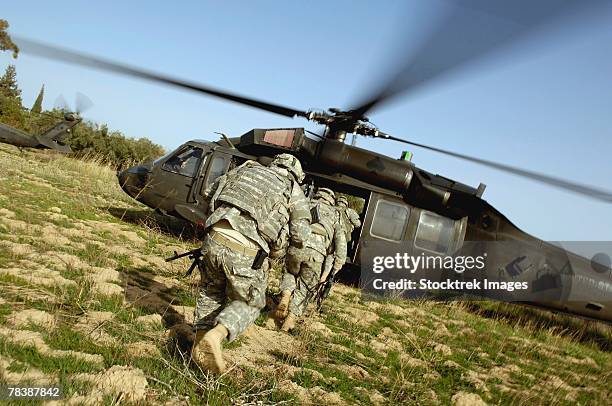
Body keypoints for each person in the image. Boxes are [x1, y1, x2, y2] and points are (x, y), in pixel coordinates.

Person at [191, 153, 311, 374]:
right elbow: (301, 235)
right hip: (245, 249)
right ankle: (215, 336)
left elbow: (208, 193)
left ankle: (198, 347)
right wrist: (291, 263)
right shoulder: (294, 191)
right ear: (297, 175)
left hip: (214, 236)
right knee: (253, 302)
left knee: (210, 291)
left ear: (275, 163)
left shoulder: (246, 169)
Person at [276, 187, 346, 332]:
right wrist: (338, 263)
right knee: (306, 287)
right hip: (316, 254)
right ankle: (289, 321)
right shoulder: (335, 214)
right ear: (331, 200)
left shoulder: (305, 202)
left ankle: (286, 294)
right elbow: (340, 240)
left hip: (296, 246)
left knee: (289, 273)